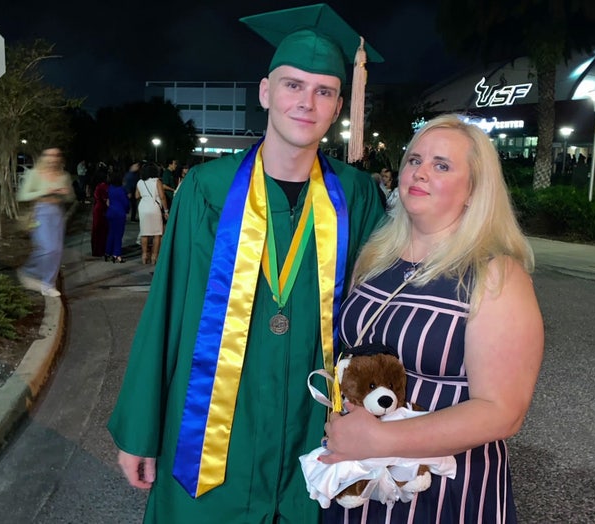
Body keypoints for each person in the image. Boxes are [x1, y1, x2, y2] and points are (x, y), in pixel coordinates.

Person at [107, 4, 386, 522]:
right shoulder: (206, 190)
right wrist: (141, 431)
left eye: (324, 91)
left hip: (314, 428)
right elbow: (166, 309)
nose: (306, 102)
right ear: (265, 92)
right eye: (292, 85)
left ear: (337, 107)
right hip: (217, 435)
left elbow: (380, 310)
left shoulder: (357, 196)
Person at [321, 114, 544, 523]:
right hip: (360, 480)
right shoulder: (376, 258)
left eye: (441, 165)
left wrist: (382, 437)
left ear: (474, 190)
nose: (420, 172)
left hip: (442, 491)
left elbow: (502, 411)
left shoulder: (495, 275)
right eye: (414, 160)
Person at [16, 147, 74, 297]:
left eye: (56, 155)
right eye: (49, 155)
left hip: (57, 213)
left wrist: (64, 193)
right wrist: (44, 191)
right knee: (47, 248)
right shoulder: (34, 174)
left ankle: (48, 284)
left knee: (57, 250)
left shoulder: (64, 176)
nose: (53, 158)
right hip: (40, 212)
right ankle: (28, 272)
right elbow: (23, 195)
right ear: (44, 157)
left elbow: (70, 197)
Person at [135, 163, 167, 264]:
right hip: (154, 207)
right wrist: (166, 210)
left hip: (143, 207)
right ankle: (154, 257)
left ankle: (144, 256)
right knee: (157, 234)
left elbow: (136, 196)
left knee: (144, 233)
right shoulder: (157, 181)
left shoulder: (140, 182)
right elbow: (162, 196)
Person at [105, 170, 129, 263]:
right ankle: (116, 254)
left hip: (110, 212)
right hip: (119, 213)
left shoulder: (110, 188)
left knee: (111, 233)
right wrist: (127, 210)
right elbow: (125, 203)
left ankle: (108, 252)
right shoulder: (121, 190)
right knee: (118, 235)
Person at [90, 165, 110, 257]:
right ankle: (103, 249)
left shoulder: (97, 186)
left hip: (97, 208)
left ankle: (96, 250)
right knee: (103, 230)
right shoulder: (105, 186)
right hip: (104, 209)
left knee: (96, 230)